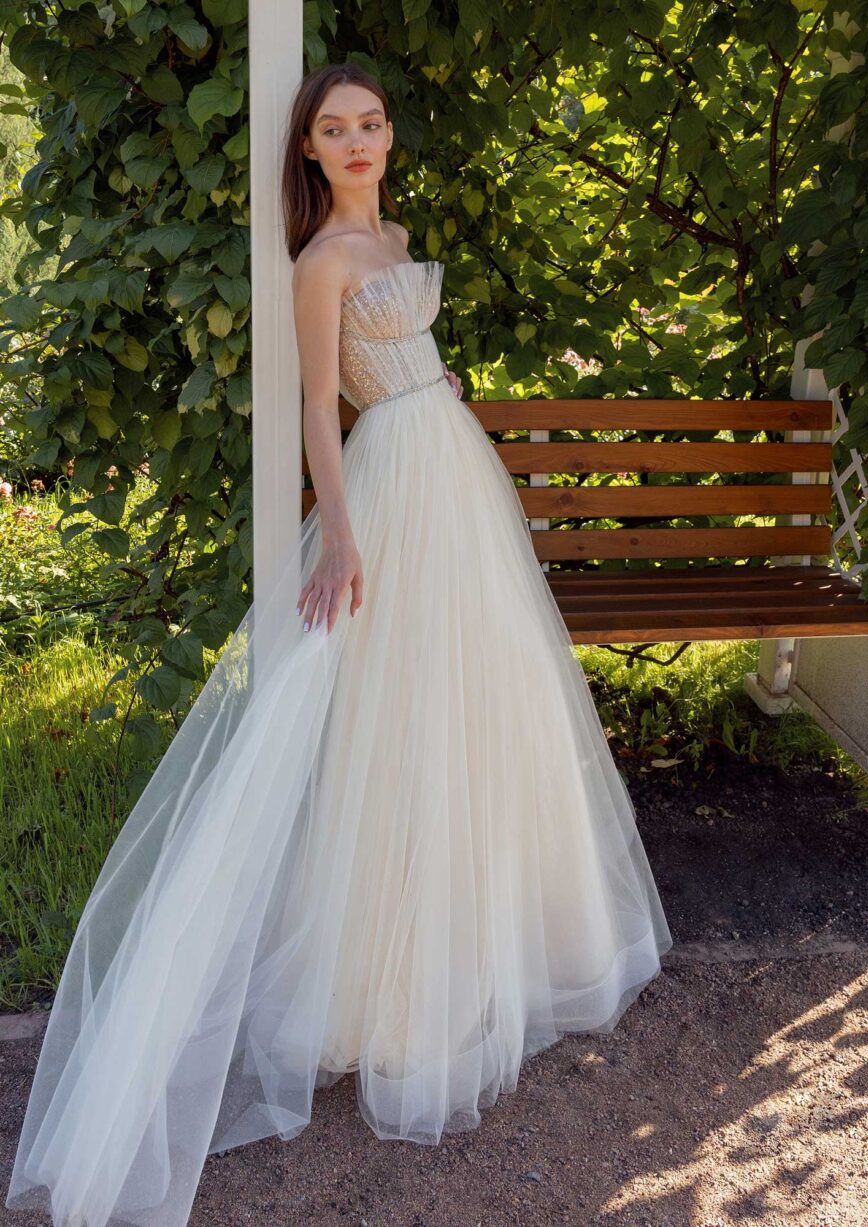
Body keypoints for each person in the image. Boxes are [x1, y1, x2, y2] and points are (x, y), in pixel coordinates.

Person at [5, 62, 673, 1227]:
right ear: (307, 151)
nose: (356, 141)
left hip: (452, 473)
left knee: (477, 703)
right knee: (389, 720)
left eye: (368, 124)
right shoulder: (319, 266)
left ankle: (481, 960)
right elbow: (320, 404)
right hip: (394, 494)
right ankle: (382, 988)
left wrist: (437, 381)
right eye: (333, 129)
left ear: (387, 136)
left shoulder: (397, 235)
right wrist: (341, 540)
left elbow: (401, 368)